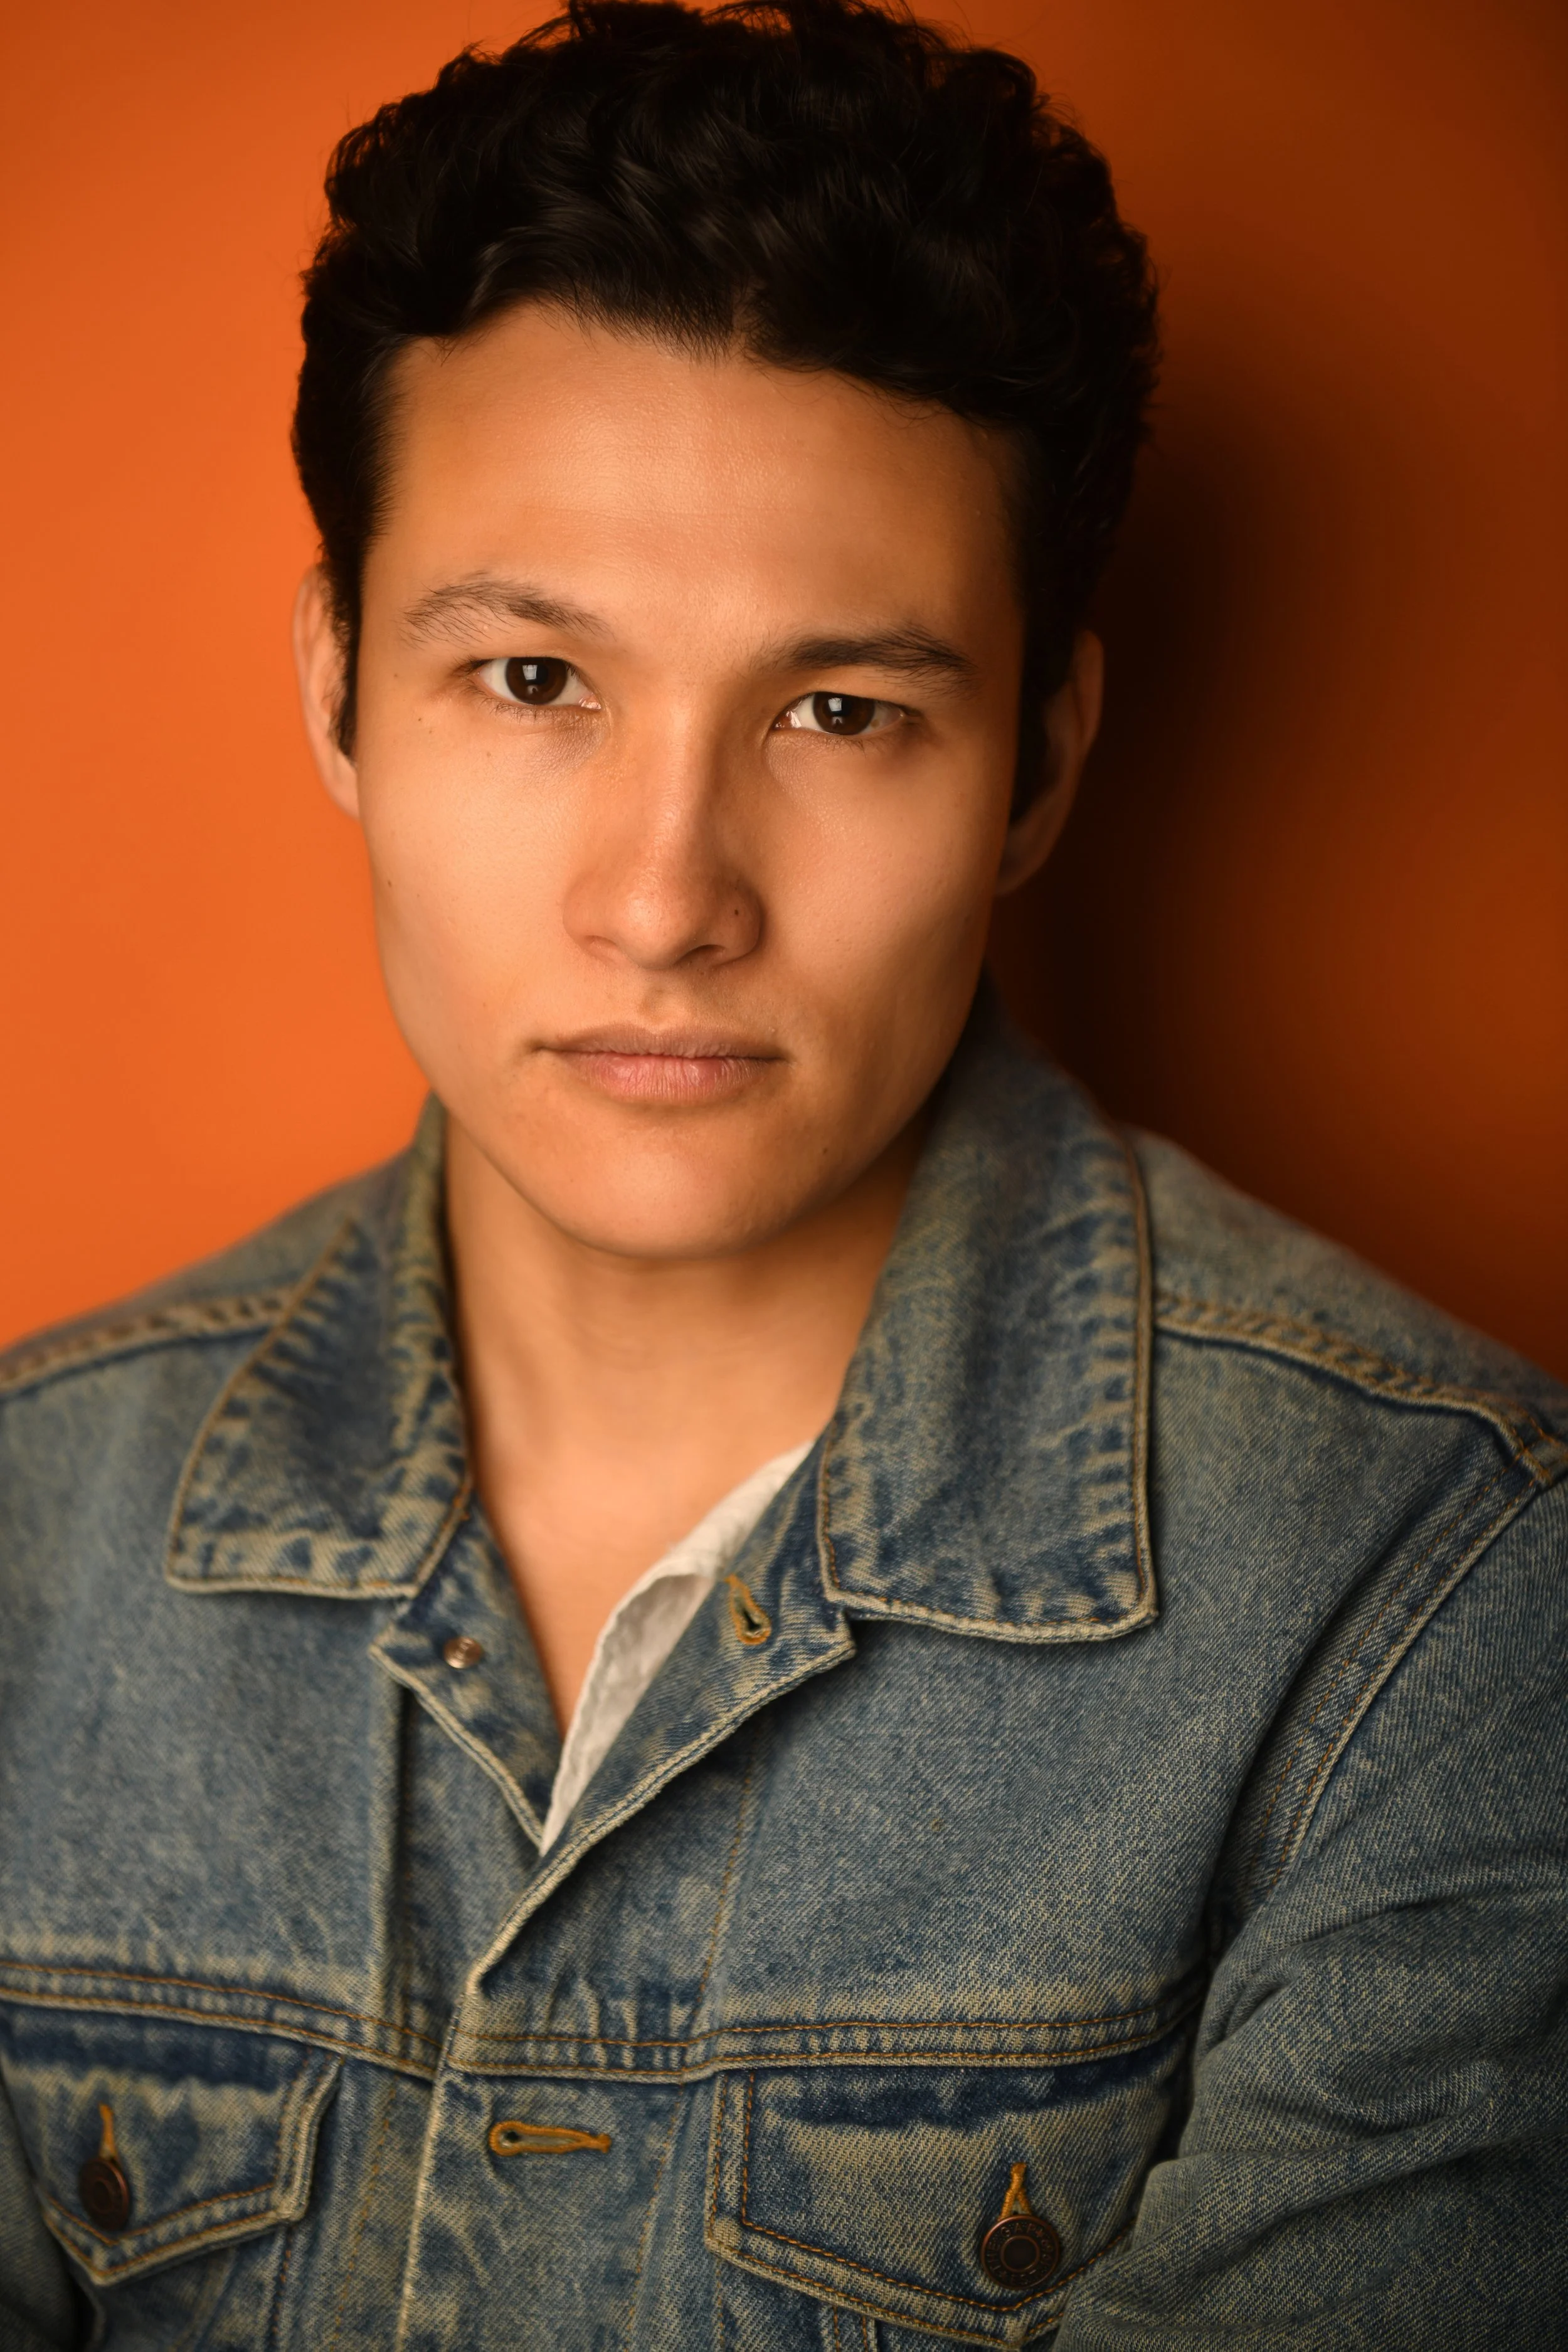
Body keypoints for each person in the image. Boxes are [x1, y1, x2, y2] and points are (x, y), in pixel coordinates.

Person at [1, 0, 1564, 2341]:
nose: (665, 899)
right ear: (337, 688)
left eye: (840, 712)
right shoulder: (25, 1540)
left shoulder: (1441, 1599)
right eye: (532, 681)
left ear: (1038, 761)